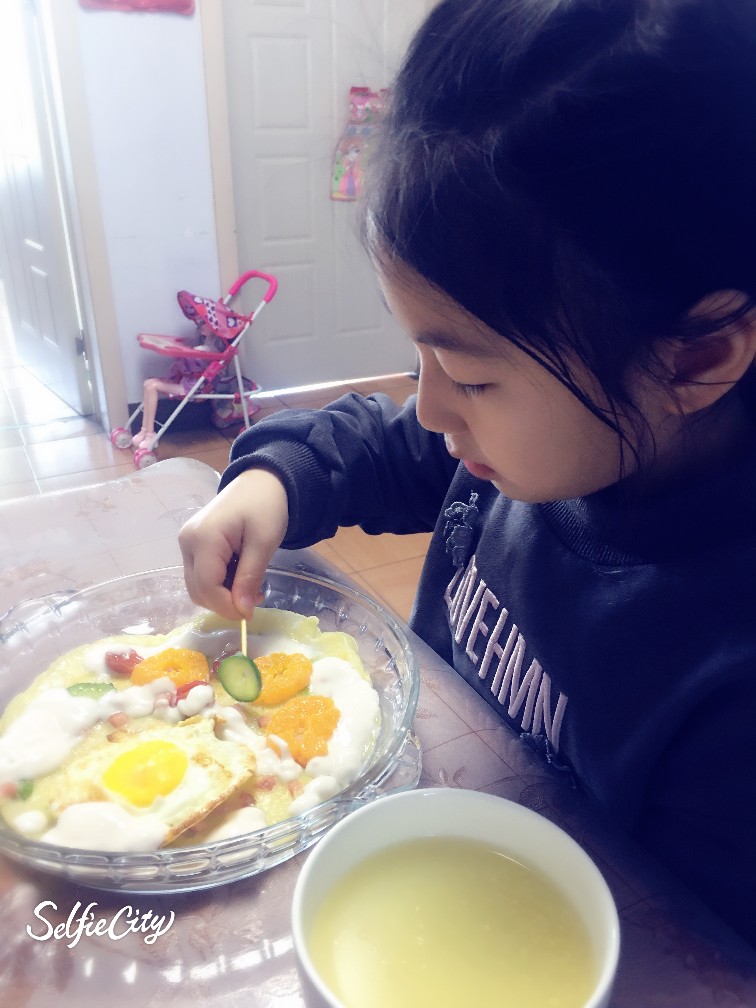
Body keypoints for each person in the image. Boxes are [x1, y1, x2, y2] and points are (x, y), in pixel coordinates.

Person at [179, 0, 756, 947]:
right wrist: (269, 484)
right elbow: (381, 443)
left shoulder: (728, 682)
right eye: (419, 357)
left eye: (472, 376)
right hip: (420, 838)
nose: (432, 409)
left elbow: (689, 953)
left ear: (692, 359)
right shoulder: (515, 451)